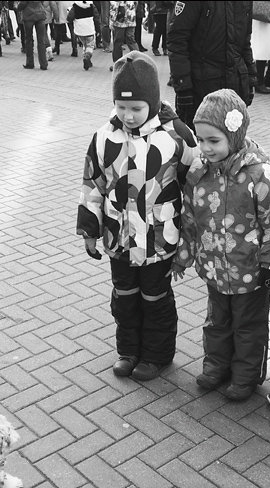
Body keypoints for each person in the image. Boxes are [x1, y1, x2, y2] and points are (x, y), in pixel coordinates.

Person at [77, 52, 198, 381]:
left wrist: (193, 232)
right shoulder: (104, 136)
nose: (128, 115)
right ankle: (128, 350)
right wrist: (90, 230)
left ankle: (157, 354)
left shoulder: (176, 136)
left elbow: (197, 182)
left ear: (154, 103)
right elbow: (93, 184)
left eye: (136, 108)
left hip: (160, 238)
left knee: (155, 298)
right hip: (120, 238)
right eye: (121, 107)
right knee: (124, 297)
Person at [174, 89, 270, 400]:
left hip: (250, 272)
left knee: (248, 327)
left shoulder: (261, 175)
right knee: (216, 322)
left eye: (214, 141)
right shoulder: (199, 173)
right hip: (215, 269)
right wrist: (183, 257)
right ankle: (216, 365)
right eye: (201, 140)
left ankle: (246, 374)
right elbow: (189, 220)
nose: (205, 148)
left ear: (235, 136)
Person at [167, 1, 256, 129]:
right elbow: (177, 41)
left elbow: (245, 42)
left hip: (235, 86)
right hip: (201, 90)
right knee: (199, 143)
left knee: (233, 142)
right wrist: (183, 87)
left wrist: (250, 79)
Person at [17, 0, 47, 69]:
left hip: (28, 16)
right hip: (40, 15)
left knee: (29, 40)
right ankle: (44, 64)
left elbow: (22, 4)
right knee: (41, 41)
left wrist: (18, 7)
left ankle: (30, 63)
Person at [109, 0, 138, 69]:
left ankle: (118, 63)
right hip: (131, 18)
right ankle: (138, 60)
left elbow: (114, 6)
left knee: (118, 42)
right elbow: (136, 3)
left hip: (120, 21)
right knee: (131, 40)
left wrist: (111, 21)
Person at [67, 0, 95, 70]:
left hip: (80, 29)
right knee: (90, 45)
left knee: (84, 45)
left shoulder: (75, 5)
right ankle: (87, 57)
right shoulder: (91, 5)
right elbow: (96, 17)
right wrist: (98, 29)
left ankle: (87, 60)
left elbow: (69, 17)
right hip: (89, 28)